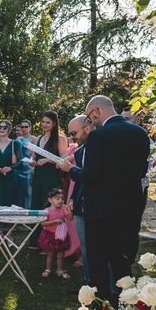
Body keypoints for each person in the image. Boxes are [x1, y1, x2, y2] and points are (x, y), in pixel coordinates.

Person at [57, 95, 150, 308]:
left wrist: (70, 169)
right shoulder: (140, 133)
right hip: (130, 207)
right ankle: (125, 302)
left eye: (90, 117)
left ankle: (101, 305)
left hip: (101, 210)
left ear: (96, 111)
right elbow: (141, 171)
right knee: (123, 259)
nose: (91, 122)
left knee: (99, 260)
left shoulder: (99, 135)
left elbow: (91, 176)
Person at [65, 115, 93, 287]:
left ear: (87, 128)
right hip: (81, 204)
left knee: (95, 247)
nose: (73, 137)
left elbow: (90, 176)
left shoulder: (99, 149)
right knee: (85, 247)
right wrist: (72, 200)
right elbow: (79, 181)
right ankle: (88, 280)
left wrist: (70, 168)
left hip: (95, 205)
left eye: (74, 133)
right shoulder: (80, 150)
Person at [30, 110, 68, 210]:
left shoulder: (61, 139)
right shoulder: (38, 138)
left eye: (47, 122)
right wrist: (32, 161)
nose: (44, 124)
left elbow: (64, 160)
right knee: (36, 203)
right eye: (43, 122)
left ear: (54, 123)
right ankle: (37, 226)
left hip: (52, 176)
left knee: (48, 205)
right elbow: (33, 156)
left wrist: (47, 160)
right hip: (38, 175)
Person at [38, 188, 73, 279]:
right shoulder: (47, 210)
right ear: (50, 200)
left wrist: (69, 211)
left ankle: (60, 270)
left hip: (60, 236)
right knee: (50, 254)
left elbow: (70, 218)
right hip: (49, 235)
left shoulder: (63, 209)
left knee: (60, 254)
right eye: (57, 198)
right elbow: (42, 223)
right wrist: (54, 222)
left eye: (62, 199)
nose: (60, 201)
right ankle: (48, 269)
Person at [0, 120, 20, 206]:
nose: (2, 129)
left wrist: (10, 168)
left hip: (10, 179)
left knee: (9, 205)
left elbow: (21, 161)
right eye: (0, 127)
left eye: (4, 127)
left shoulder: (15, 144)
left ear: (9, 130)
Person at [15, 119, 36, 208]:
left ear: (30, 128)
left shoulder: (34, 139)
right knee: (17, 193)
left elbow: (35, 154)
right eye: (22, 127)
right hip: (17, 169)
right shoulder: (17, 139)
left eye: (26, 127)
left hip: (28, 169)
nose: (23, 128)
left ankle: (28, 215)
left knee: (28, 193)